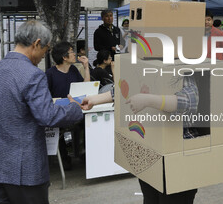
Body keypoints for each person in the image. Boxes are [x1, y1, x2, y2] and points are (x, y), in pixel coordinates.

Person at [0, 20, 83, 204]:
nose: (42, 57)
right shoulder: (33, 74)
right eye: (45, 50)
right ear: (36, 43)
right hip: (25, 170)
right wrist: (74, 108)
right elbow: (48, 115)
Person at [81, 75, 200, 203]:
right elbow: (126, 87)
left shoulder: (183, 66)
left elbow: (190, 100)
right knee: (150, 198)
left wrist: (148, 100)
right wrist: (95, 99)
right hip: (150, 151)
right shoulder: (146, 64)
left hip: (178, 155)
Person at [46, 41, 90, 169]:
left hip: (75, 110)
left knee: (87, 123)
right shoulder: (50, 74)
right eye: (71, 52)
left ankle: (85, 155)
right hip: (59, 112)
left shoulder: (73, 70)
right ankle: (65, 160)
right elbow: (46, 97)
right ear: (64, 57)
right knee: (63, 130)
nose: (74, 54)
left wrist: (86, 67)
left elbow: (85, 88)